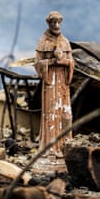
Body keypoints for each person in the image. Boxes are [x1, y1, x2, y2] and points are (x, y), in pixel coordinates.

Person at [34, 11, 75, 157]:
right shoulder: (43, 42)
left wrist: (64, 62)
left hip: (63, 82)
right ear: (48, 23)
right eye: (53, 22)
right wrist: (51, 62)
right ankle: (50, 147)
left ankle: (64, 146)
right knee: (51, 113)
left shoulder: (65, 42)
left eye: (58, 22)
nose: (56, 25)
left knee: (64, 112)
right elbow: (37, 63)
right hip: (50, 82)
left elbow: (71, 62)